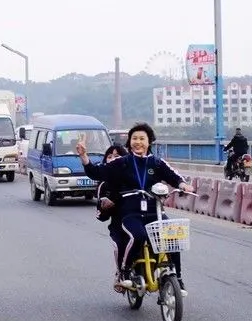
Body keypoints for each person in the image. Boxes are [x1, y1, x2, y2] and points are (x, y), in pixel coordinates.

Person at [78, 122, 193, 295]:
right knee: (138, 236)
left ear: (149, 142)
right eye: (134, 139)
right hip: (130, 213)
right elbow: (96, 172)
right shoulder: (121, 162)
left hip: (156, 213)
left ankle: (177, 277)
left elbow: (174, 177)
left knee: (172, 237)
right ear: (129, 142)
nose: (138, 142)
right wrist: (84, 156)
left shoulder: (157, 163)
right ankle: (124, 271)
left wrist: (183, 185)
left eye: (142, 138)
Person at [94, 145, 129, 292]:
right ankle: (121, 273)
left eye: (117, 156)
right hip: (119, 224)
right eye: (110, 156)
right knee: (119, 245)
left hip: (139, 219)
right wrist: (105, 208)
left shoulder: (133, 178)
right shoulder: (104, 186)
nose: (113, 159)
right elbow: (102, 216)